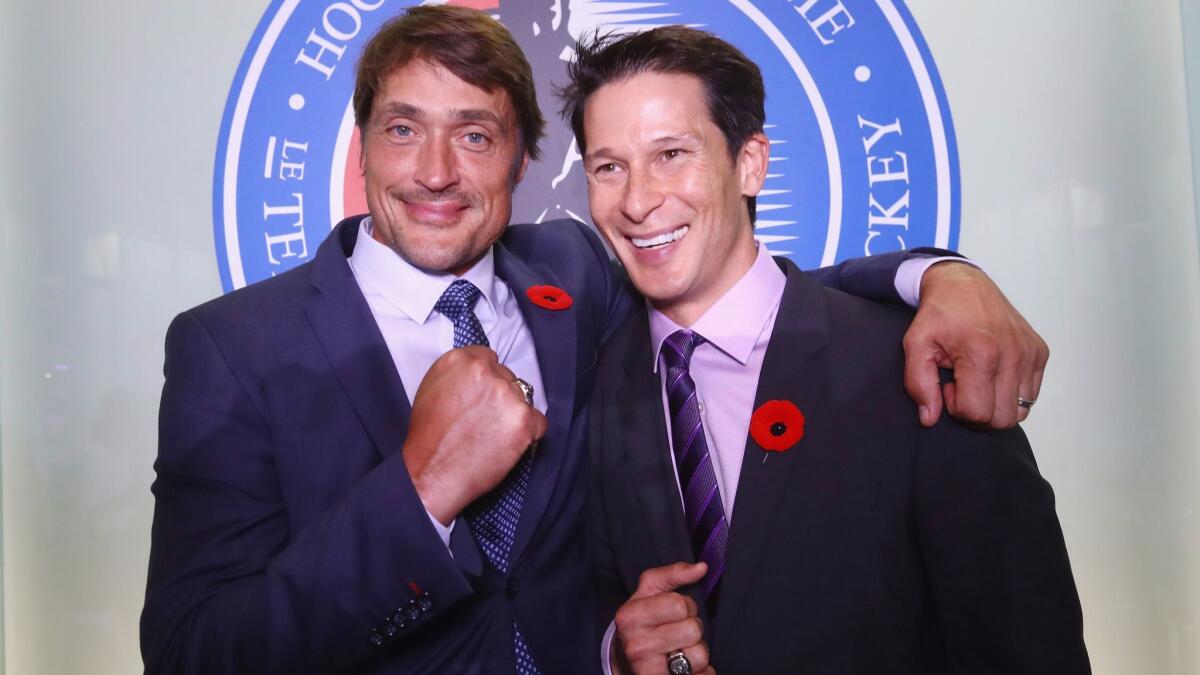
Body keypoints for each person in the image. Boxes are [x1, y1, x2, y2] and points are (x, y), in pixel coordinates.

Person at [142, 6, 1050, 674]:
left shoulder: (573, 275)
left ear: (522, 163)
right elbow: (192, 654)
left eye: (476, 134)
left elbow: (743, 282)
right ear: (364, 147)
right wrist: (420, 493)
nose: (434, 172)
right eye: (404, 129)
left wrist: (936, 278)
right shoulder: (231, 349)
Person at [565, 26, 1090, 675]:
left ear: (750, 162)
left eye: (672, 153)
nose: (639, 200)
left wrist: (942, 273)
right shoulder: (602, 379)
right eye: (608, 167)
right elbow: (581, 594)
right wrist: (617, 651)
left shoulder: (919, 362)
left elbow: (1028, 647)